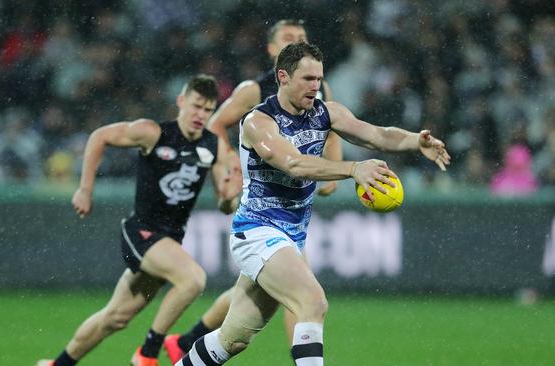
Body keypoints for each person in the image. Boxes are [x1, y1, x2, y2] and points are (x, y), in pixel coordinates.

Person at [176, 42, 450, 366]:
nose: (315, 86)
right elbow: (293, 163)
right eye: (307, 78)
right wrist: (352, 169)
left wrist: (415, 141)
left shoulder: (326, 112)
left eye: (319, 78)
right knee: (313, 301)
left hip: (290, 237)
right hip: (257, 231)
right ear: (283, 77)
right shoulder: (258, 122)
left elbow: (376, 134)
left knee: (232, 340)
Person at [163, 19, 343, 364]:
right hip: (259, 201)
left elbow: (331, 129)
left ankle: (187, 341)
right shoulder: (253, 91)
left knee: (250, 303)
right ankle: (303, 358)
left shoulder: (317, 91)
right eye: (288, 39)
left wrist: (331, 168)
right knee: (305, 295)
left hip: (290, 205)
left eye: (302, 39)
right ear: (273, 51)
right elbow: (215, 125)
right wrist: (228, 166)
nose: (296, 43)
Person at [37, 74, 241, 366]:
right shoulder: (154, 133)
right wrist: (85, 188)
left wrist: (229, 198)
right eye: (196, 106)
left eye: (207, 110)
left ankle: (59, 364)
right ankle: (148, 352)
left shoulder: (214, 147)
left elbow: (225, 202)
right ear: (181, 102)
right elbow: (100, 136)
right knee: (193, 279)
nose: (200, 115)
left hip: (168, 242)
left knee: (115, 317)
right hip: (142, 232)